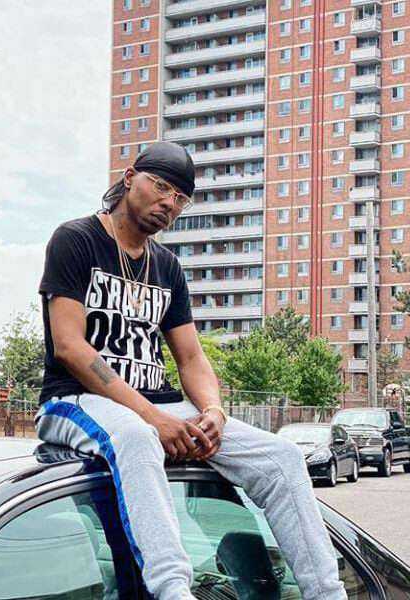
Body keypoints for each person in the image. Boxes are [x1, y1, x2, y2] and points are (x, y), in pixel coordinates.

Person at [34, 141, 347, 600]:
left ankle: (326, 593)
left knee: (281, 458)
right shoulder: (76, 239)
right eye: (161, 187)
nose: (170, 203)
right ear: (129, 178)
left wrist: (214, 411)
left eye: (180, 198)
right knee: (137, 437)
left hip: (159, 405)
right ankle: (174, 591)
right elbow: (70, 347)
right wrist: (152, 417)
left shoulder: (167, 266)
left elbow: (192, 359)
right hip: (75, 400)